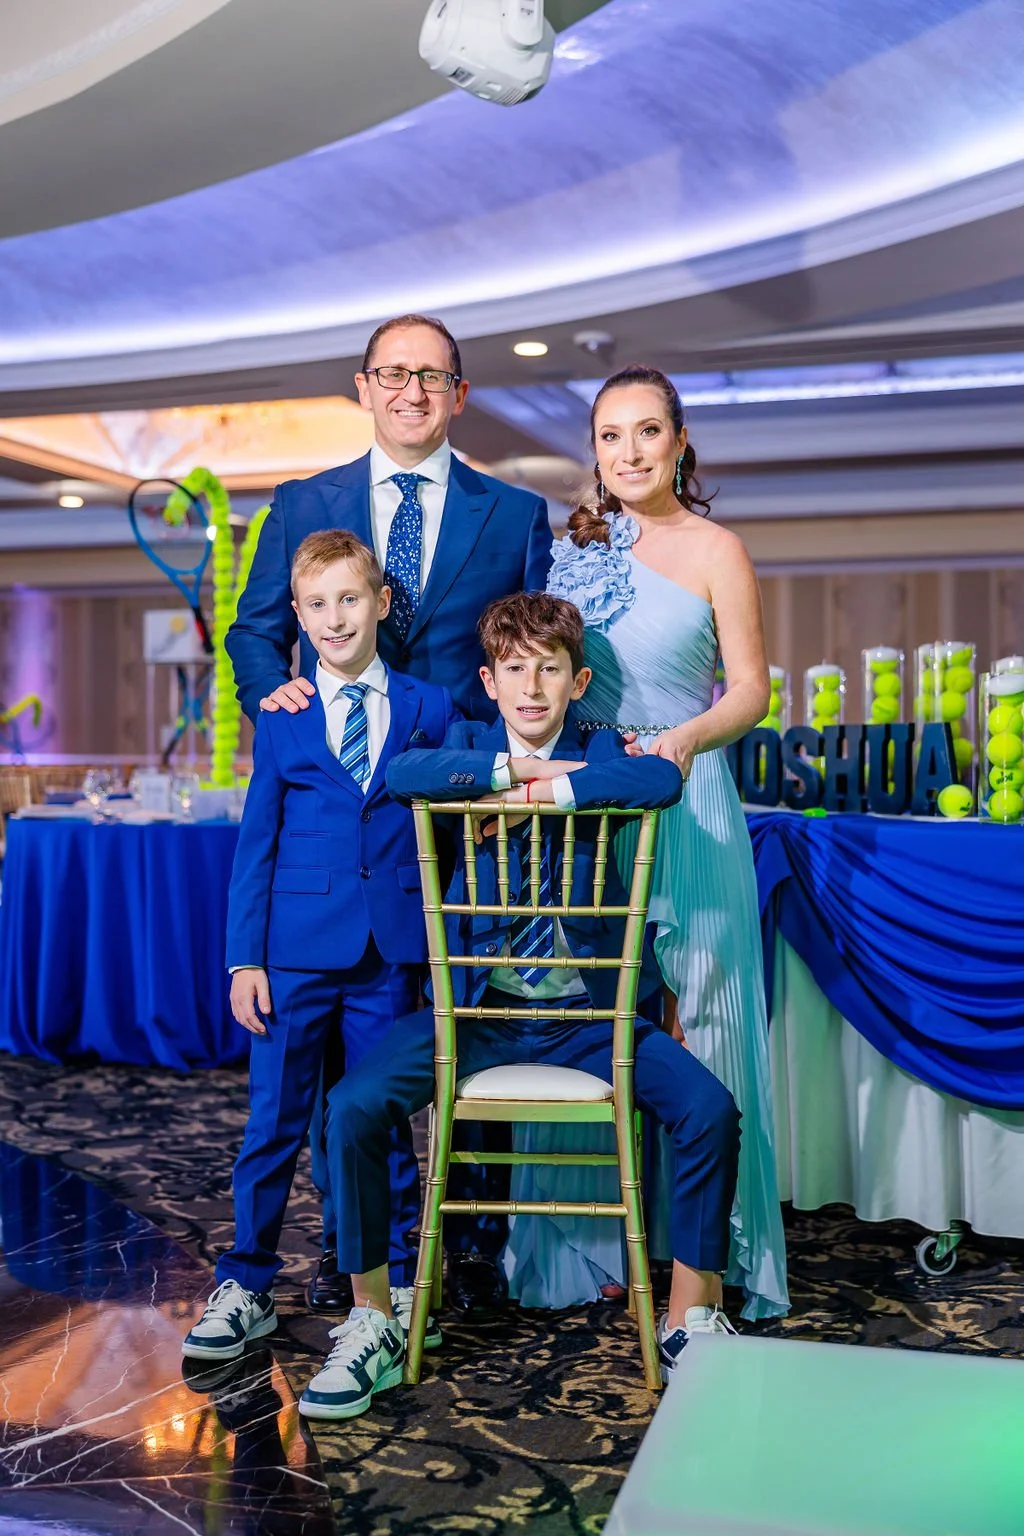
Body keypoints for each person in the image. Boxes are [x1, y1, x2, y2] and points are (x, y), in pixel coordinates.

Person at [291, 592, 740, 1421]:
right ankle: (372, 1318)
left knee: (709, 1110)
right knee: (350, 1108)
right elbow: (405, 775)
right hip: (476, 1018)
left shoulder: (602, 749)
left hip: (590, 1021)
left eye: (550, 669)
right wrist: (514, 773)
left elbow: (656, 778)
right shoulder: (465, 744)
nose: (532, 688)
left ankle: (689, 1317)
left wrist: (554, 792)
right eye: (516, 670)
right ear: (489, 681)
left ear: (578, 682)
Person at [226, 313, 552, 1317]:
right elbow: (253, 633)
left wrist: (498, 772)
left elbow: (529, 652)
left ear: (459, 393)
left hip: (462, 826)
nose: (412, 391)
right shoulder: (303, 502)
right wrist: (270, 695)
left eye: (432, 376)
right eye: (394, 373)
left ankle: (472, 1242)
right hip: (336, 823)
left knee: (462, 1029)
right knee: (329, 1065)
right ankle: (354, 1244)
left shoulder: (514, 515)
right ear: (364, 387)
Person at [520, 364, 789, 1323]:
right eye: (609, 435)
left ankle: (708, 1273)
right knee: (584, 1015)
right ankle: (583, 1247)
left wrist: (683, 740)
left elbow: (752, 690)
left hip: (690, 794)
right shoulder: (567, 555)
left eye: (646, 432)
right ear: (593, 451)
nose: (627, 452)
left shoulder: (718, 549)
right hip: (589, 806)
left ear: (679, 443)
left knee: (709, 1018)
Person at [182, 529, 457, 1364]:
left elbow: (455, 825)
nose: (335, 619)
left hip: (390, 952)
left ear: (379, 604)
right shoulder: (284, 717)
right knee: (272, 1122)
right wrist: (244, 959)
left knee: (379, 1123)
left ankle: (397, 1278)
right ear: (298, 618)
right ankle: (247, 1281)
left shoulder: (429, 707)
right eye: (316, 605)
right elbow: (257, 843)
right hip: (292, 954)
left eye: (349, 599)